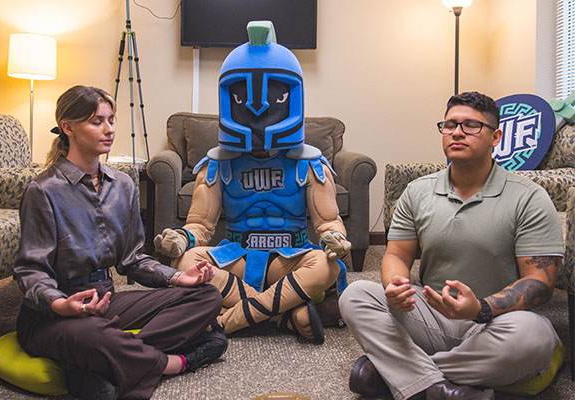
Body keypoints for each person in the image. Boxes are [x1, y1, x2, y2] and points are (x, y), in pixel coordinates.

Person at [339, 91, 564, 400]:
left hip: (495, 322)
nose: (457, 132)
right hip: (429, 311)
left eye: (471, 125)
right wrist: (394, 284)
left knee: (534, 337)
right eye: (449, 125)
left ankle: (398, 375)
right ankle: (439, 389)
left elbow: (540, 283)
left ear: (495, 136)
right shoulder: (418, 192)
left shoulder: (528, 198)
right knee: (356, 294)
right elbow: (395, 254)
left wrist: (481, 308)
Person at [13, 85, 227, 400]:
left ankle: (101, 364)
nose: (109, 129)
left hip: (106, 302)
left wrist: (179, 277)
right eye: (97, 121)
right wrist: (62, 304)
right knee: (91, 334)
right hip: (53, 313)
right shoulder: (43, 190)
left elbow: (132, 260)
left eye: (111, 120)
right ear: (68, 128)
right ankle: (172, 362)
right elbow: (31, 271)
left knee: (205, 296)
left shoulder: (123, 185)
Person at [153, 21, 350, 344]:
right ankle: (284, 315)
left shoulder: (310, 163)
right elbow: (200, 226)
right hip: (239, 257)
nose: (259, 108)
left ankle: (225, 322)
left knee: (325, 266)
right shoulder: (218, 164)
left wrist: (336, 240)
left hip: (290, 258)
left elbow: (328, 221)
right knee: (185, 260)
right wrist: (180, 239)